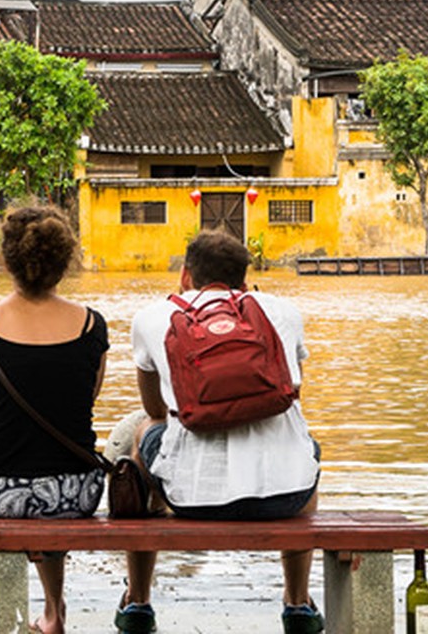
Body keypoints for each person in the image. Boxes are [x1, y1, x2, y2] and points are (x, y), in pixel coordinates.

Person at [118, 229, 322, 634]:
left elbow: (155, 410)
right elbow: (291, 392)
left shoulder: (152, 317)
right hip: (285, 498)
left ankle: (138, 600)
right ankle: (297, 602)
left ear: (185, 276)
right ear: (244, 284)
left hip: (190, 498)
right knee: (303, 441)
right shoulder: (281, 311)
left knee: (143, 432)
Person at [0, 203, 109, 634]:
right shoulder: (92, 325)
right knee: (44, 476)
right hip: (75, 493)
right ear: (64, 261)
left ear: (6, 260)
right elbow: (85, 400)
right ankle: (54, 611)